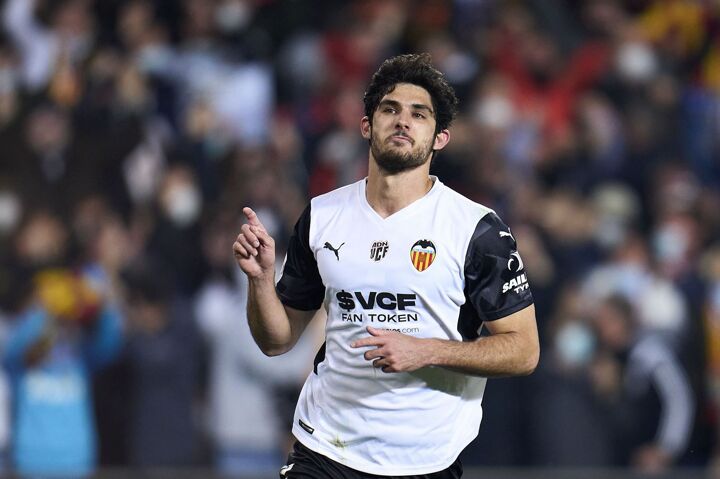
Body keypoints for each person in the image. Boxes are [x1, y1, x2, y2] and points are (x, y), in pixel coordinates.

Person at [233, 53, 539, 478]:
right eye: (390, 109)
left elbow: (524, 351)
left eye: (419, 114)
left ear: (440, 138)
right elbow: (276, 340)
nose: (403, 121)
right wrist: (261, 281)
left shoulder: (476, 230)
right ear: (366, 126)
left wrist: (425, 350)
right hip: (325, 447)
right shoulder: (322, 216)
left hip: (425, 458)